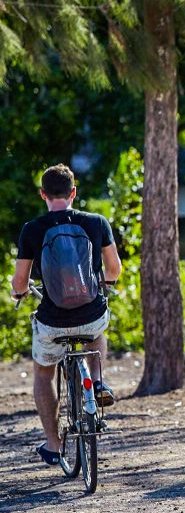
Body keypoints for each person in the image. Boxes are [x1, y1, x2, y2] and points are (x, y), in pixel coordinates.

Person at [10, 164, 122, 466]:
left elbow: (20, 282)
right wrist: (104, 284)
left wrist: (18, 293)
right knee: (97, 331)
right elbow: (114, 269)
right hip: (90, 314)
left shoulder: (32, 229)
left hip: (52, 321)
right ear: (73, 192)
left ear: (42, 194)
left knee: (43, 374)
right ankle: (97, 382)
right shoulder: (96, 222)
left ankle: (53, 444)